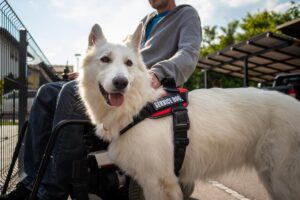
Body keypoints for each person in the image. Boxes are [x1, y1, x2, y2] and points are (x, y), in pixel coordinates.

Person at [0, 0, 201, 199]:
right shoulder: (146, 21)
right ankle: (31, 182)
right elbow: (116, 56)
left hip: (148, 86)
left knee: (71, 93)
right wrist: (92, 71)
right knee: (47, 92)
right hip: (122, 76)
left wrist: (158, 73)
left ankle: (52, 191)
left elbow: (188, 53)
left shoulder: (186, 15)